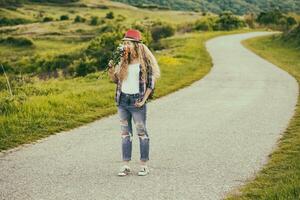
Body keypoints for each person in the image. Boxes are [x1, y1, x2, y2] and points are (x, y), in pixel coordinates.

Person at [107, 29, 161, 176]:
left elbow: (151, 84)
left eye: (128, 43)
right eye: (124, 43)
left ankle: (144, 165)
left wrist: (143, 100)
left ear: (136, 44)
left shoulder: (145, 62)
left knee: (142, 133)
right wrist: (111, 69)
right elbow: (115, 80)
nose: (125, 45)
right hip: (122, 101)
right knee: (125, 134)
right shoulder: (123, 60)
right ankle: (125, 165)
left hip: (137, 101)